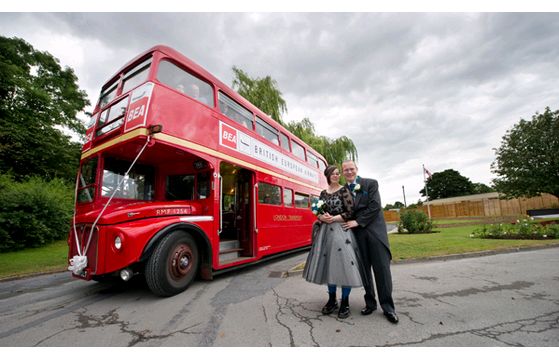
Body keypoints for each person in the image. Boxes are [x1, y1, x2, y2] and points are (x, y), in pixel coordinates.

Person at [303, 165, 369, 319]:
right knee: (328, 265)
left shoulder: (344, 190)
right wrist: (320, 217)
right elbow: (317, 211)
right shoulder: (323, 193)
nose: (336, 176)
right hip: (325, 233)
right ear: (327, 175)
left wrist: (334, 218)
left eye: (338, 173)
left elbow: (350, 211)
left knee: (345, 265)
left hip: (341, 231)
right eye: (333, 174)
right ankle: (332, 300)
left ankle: (345, 302)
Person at [341, 160, 399, 324]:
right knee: (365, 271)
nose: (349, 172)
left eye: (351, 169)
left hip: (375, 234)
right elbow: (343, 211)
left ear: (356, 169)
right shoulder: (343, 190)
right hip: (357, 237)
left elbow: (375, 206)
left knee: (382, 271)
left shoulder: (370, 184)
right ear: (343, 172)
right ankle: (370, 303)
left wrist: (357, 222)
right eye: (346, 170)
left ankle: (388, 308)